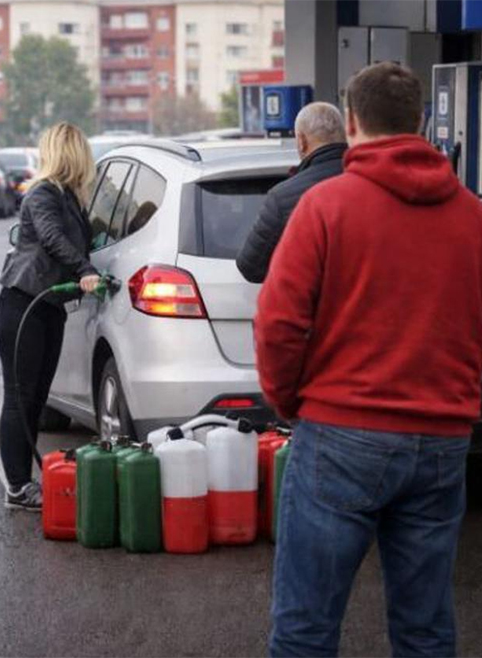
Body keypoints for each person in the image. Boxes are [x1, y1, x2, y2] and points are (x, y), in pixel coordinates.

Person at [256, 61, 482, 657]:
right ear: (424, 121)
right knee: (426, 628)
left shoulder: (326, 207)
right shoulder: (473, 217)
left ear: (351, 122)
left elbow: (278, 325)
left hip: (339, 435)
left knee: (307, 626)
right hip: (441, 441)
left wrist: (290, 402)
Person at [0, 122, 100, 511]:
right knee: (20, 399)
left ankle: (25, 482)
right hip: (23, 307)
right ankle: (18, 487)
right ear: (73, 154)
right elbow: (53, 239)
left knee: (37, 400)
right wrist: (85, 270)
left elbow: (76, 238)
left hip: (49, 308)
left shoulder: (70, 197)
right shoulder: (42, 194)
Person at [236, 102, 347, 283]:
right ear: (345, 135)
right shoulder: (373, 181)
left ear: (301, 141)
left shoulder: (283, 197)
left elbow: (250, 267)